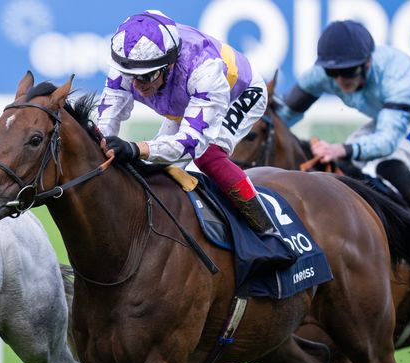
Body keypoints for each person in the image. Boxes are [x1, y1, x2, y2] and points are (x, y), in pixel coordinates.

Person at [96, 10, 295, 268]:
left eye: (146, 77)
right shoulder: (130, 63)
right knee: (156, 173)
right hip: (187, 100)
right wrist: (102, 143)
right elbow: (107, 116)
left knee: (207, 156)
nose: (137, 85)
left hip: (239, 93)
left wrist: (136, 148)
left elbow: (190, 144)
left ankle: (270, 234)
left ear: (168, 66)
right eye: (132, 76)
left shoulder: (204, 69)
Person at [275, 20, 410, 225]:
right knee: (342, 166)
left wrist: (342, 148)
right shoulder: (320, 74)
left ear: (368, 62)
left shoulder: (396, 74)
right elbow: (281, 116)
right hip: (389, 117)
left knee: (390, 164)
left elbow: (388, 141)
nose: (339, 80)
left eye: (348, 71)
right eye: (332, 72)